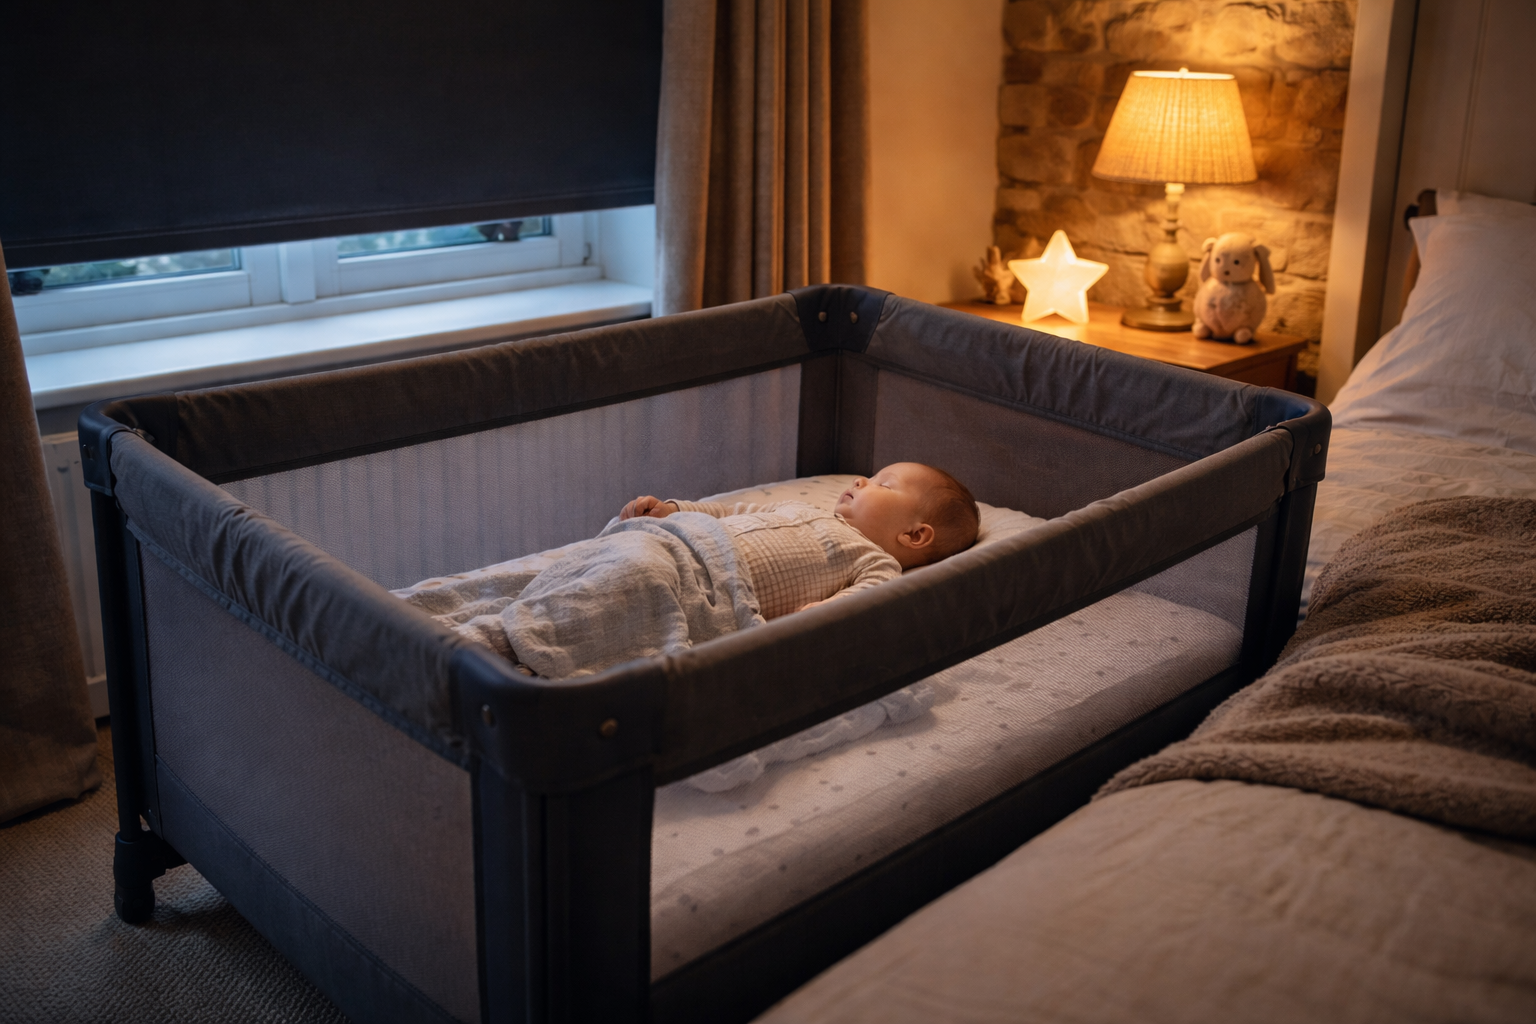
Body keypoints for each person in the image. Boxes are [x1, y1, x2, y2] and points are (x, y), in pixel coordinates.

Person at [618, 462, 980, 620]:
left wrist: (820, 616)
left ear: (914, 535)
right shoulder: (801, 507)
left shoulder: (876, 561)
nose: (859, 480)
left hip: (706, 589)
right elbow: (733, 511)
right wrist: (673, 510)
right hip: (676, 544)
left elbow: (862, 602)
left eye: (883, 484)